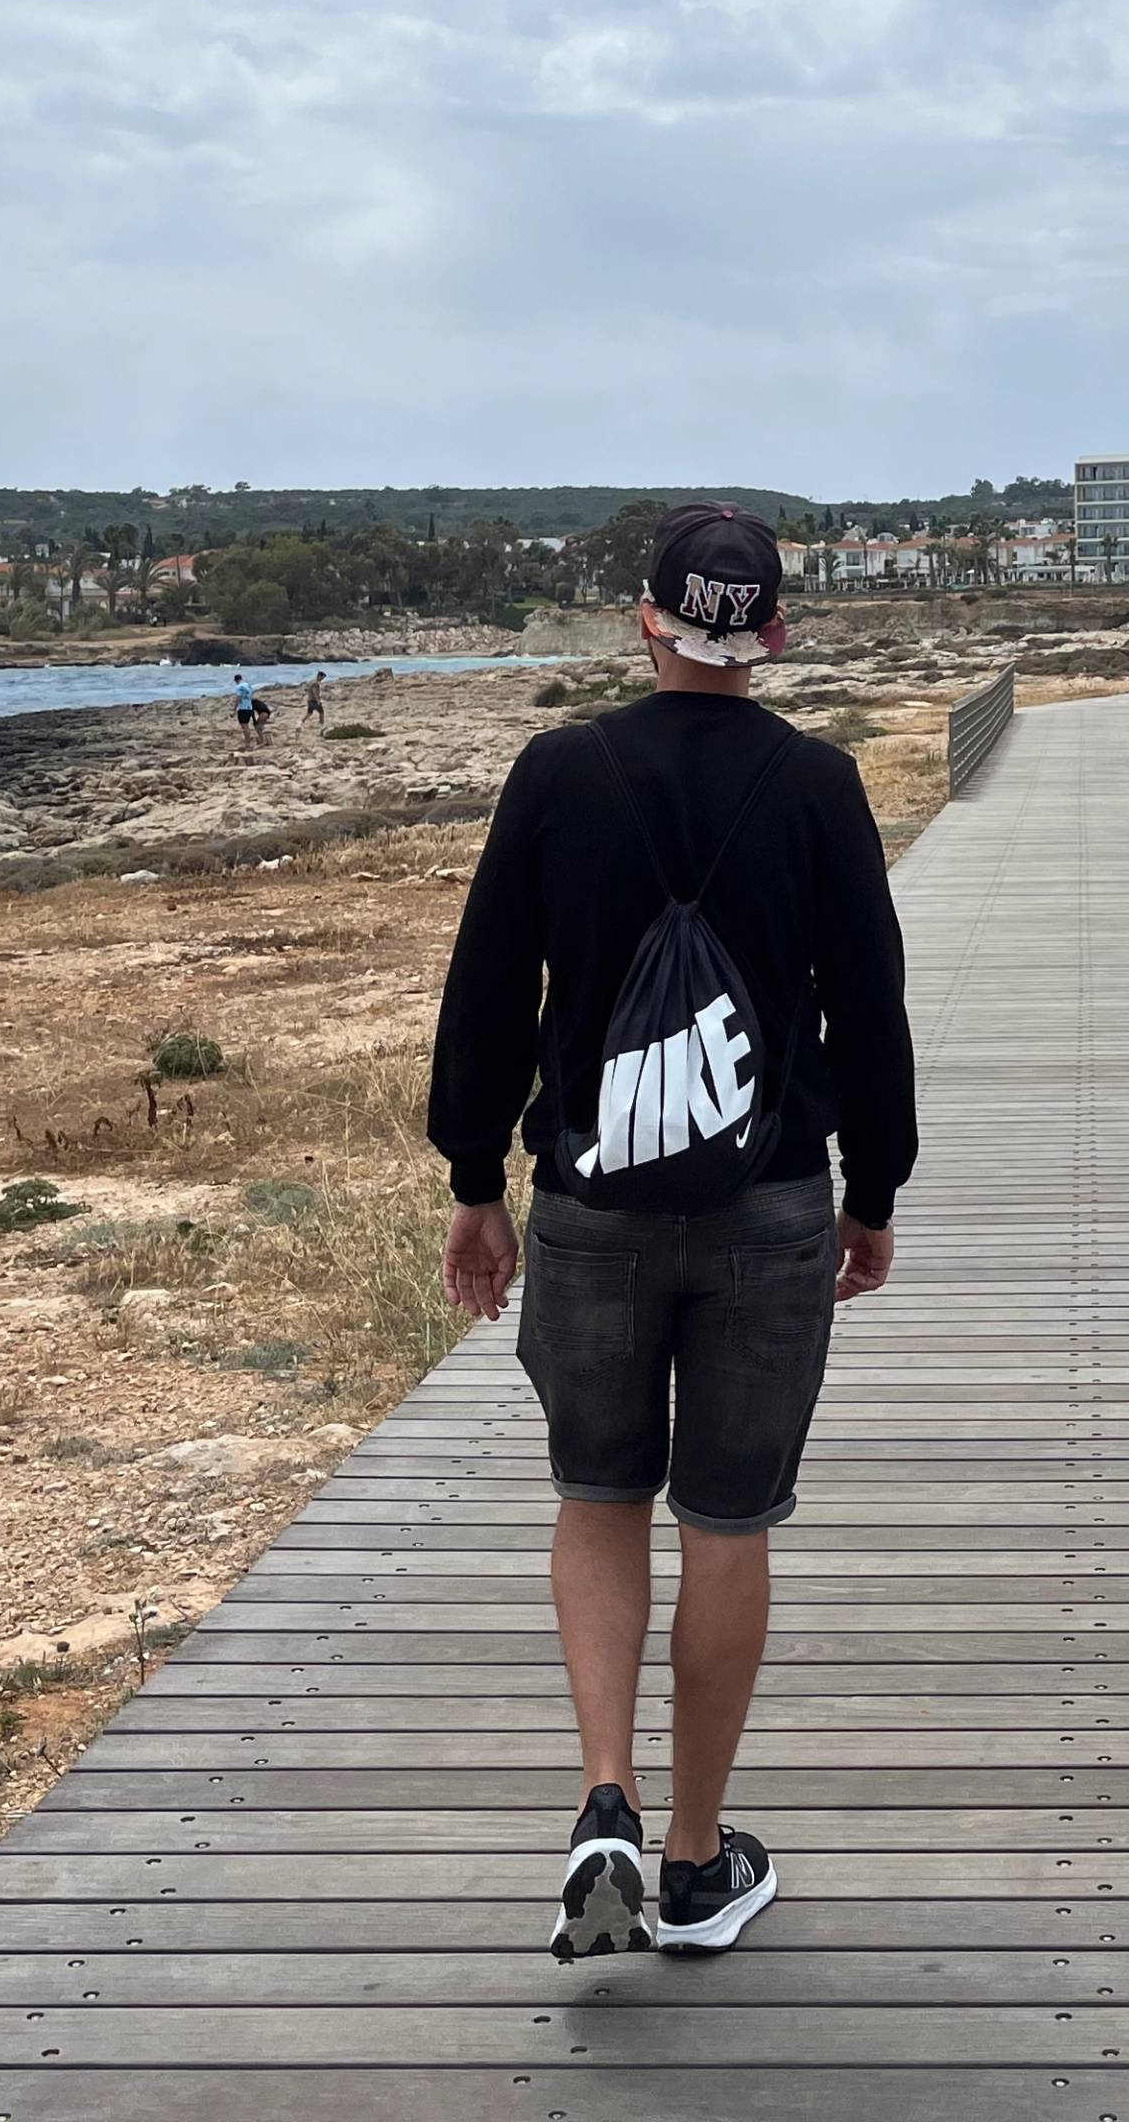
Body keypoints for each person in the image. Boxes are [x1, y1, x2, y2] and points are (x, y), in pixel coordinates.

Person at [430, 502, 913, 1962]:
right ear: (773, 637)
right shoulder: (819, 784)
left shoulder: (558, 772)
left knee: (599, 1496)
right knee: (727, 1522)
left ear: (645, 621)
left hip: (592, 1205)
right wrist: (874, 1190)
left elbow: (489, 987)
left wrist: (475, 1178)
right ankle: (698, 1862)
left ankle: (607, 1793)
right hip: (770, 1205)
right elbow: (869, 1004)